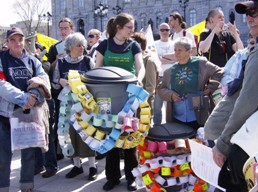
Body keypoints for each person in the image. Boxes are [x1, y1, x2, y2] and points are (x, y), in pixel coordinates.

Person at [210, 1, 258, 190]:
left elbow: (247, 100)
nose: (249, 18)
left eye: (255, 13)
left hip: (249, 145)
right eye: (248, 14)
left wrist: (223, 143)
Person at [95, 12, 145, 191]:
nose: (133, 30)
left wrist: (139, 79)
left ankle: (132, 177)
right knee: (110, 138)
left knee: (129, 137)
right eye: (129, 27)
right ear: (119, 27)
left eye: (133, 27)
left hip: (129, 98)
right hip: (106, 98)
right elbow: (97, 69)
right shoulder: (104, 45)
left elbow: (141, 67)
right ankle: (112, 177)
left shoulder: (134, 46)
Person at [0, 27, 50, 192]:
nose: (17, 43)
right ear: (7, 42)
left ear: (24, 41)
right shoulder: (1, 59)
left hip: (28, 113)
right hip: (6, 114)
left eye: (20, 39)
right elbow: (2, 85)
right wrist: (23, 98)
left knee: (28, 154)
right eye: (13, 40)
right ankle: (3, 187)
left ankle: (27, 186)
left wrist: (33, 96)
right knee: (4, 156)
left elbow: (43, 78)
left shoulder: (32, 60)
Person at [52, 32, 97, 181]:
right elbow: (54, 83)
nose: (82, 47)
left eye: (83, 44)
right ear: (70, 47)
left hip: (85, 105)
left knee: (88, 134)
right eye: (78, 45)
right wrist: (61, 82)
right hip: (68, 106)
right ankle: (77, 166)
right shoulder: (61, 63)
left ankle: (92, 167)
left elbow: (95, 81)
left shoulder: (87, 61)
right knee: (71, 135)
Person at [158, 37, 223, 130]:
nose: (176, 53)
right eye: (175, 50)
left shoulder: (201, 63)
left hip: (197, 113)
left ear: (189, 51)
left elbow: (219, 72)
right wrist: (171, 95)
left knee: (198, 139)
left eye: (180, 50)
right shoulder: (170, 71)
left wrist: (210, 88)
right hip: (177, 116)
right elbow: (161, 88)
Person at [48, 17, 74, 161]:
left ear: (72, 29)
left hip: (76, 89)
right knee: (60, 119)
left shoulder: (78, 44)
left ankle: (77, 150)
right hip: (60, 91)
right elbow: (49, 68)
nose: (63, 31)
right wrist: (57, 59)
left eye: (66, 28)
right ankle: (60, 149)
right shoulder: (54, 47)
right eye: (61, 28)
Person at [153, 23, 175, 125]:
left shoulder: (174, 44)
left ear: (169, 31)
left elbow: (177, 57)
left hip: (172, 76)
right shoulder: (154, 44)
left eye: (166, 30)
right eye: (162, 30)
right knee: (157, 105)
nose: (165, 32)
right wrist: (170, 59)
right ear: (159, 32)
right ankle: (157, 128)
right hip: (159, 77)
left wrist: (162, 58)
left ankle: (171, 126)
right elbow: (155, 59)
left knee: (171, 105)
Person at [131, 31, 159, 113]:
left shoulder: (149, 61)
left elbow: (150, 87)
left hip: (143, 104)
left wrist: (139, 101)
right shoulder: (132, 59)